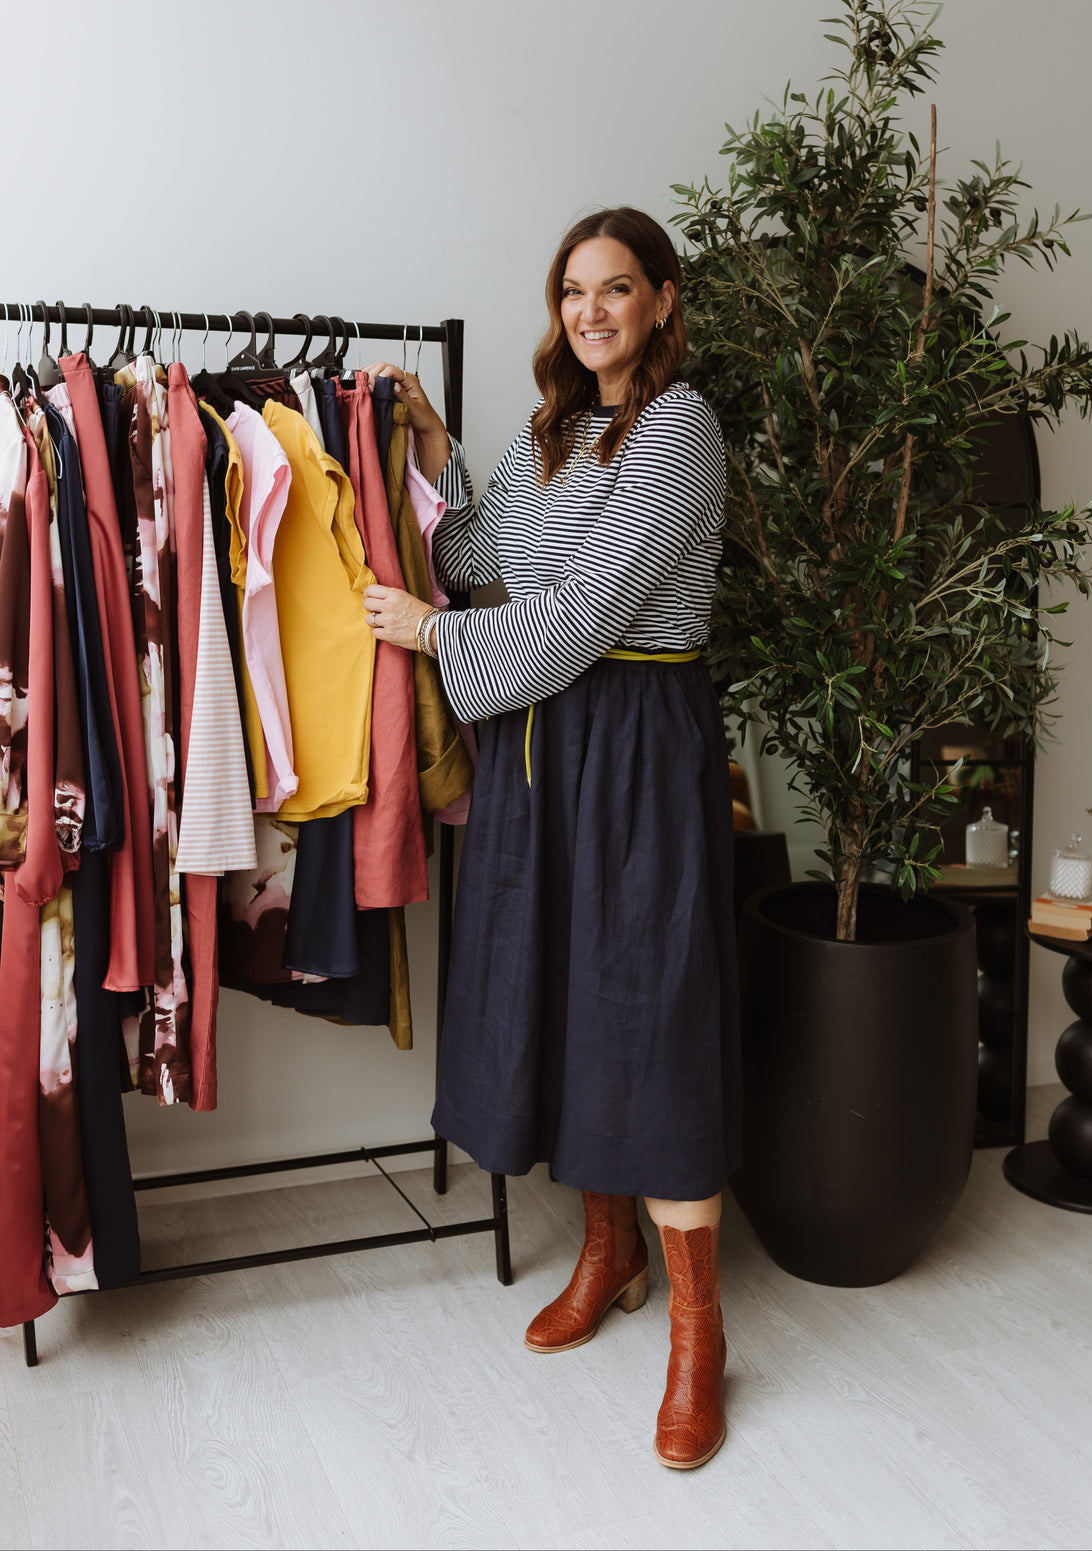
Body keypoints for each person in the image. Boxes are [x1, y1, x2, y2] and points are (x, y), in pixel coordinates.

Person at [363, 206, 739, 1470]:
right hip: (540, 743)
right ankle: (608, 1245)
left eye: (616, 289)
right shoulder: (553, 428)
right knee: (567, 1002)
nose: (589, 312)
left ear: (664, 301)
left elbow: (579, 614)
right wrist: (432, 445)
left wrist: (427, 640)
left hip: (632, 736)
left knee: (653, 1016)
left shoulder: (679, 427)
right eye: (572, 291)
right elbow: (480, 558)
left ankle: (699, 1334)